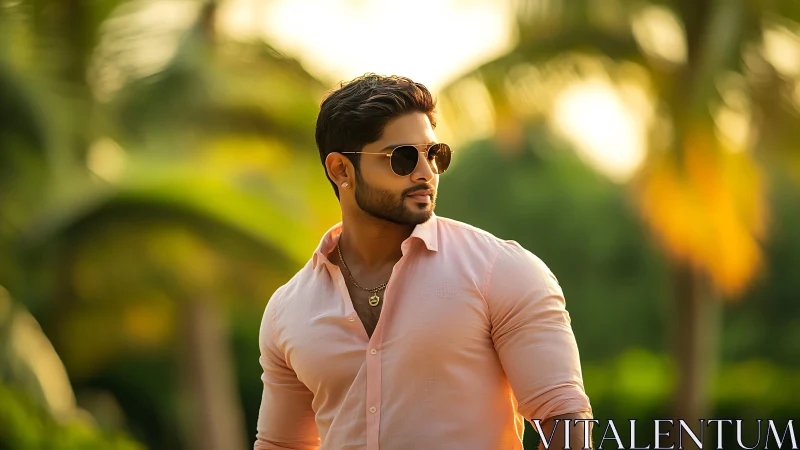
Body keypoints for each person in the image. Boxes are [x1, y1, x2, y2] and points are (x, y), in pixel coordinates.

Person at [254, 73, 594, 450]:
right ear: (341, 170)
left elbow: (564, 421)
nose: (425, 172)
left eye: (435, 154)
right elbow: (281, 445)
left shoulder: (500, 271)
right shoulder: (288, 309)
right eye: (402, 157)